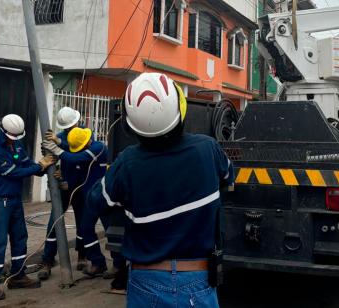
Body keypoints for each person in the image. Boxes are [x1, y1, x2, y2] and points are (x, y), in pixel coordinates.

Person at [84, 73, 234, 307]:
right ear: (180, 110)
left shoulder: (127, 163)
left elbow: (96, 201)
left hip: (146, 282)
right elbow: (228, 175)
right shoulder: (208, 150)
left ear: (128, 123)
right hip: (197, 279)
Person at [0, 114, 56, 300]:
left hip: (14, 199)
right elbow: (15, 173)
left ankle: (18, 276)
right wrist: (39, 166)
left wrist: (43, 168)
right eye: (11, 136)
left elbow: (25, 163)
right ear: (3, 131)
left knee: (20, 236)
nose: (13, 139)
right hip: (0, 200)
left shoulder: (15, 144)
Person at [40, 127, 115, 279]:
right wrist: (64, 177)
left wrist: (57, 147)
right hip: (89, 198)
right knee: (85, 229)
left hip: (104, 197)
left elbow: (76, 158)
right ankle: (98, 262)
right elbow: (75, 160)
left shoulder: (99, 147)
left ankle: (120, 265)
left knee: (111, 230)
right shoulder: (76, 143)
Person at [37, 107, 89, 279]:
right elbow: (53, 158)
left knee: (83, 222)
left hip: (80, 186)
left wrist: (60, 143)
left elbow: (79, 153)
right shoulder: (59, 136)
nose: (70, 129)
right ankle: (47, 260)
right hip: (65, 186)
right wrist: (56, 168)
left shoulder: (85, 135)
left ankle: (82, 255)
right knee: (54, 222)